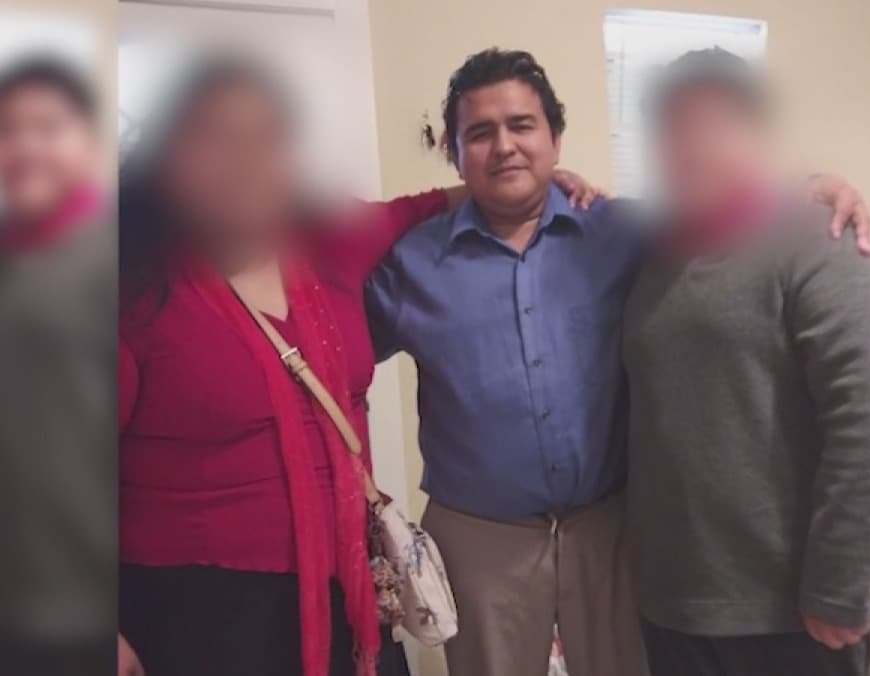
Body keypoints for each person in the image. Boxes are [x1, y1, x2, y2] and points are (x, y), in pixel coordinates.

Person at [365, 47, 870, 676]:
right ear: (454, 151)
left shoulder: (625, 233)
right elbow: (336, 358)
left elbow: (719, 202)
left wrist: (809, 188)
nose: (504, 146)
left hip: (610, 529)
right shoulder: (413, 264)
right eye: (480, 133)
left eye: (522, 125)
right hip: (481, 539)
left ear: (555, 138)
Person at [116, 56, 601, 676]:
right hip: (195, 607)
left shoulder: (328, 240)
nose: (245, 161)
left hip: (351, 590)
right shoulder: (129, 287)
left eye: (266, 139)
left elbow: (420, 206)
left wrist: (538, 179)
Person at [620, 48, 870, 676]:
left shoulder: (823, 244)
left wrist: (841, 584)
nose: (690, 148)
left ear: (755, 134)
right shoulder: (651, 254)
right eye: (672, 130)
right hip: (671, 605)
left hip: (789, 614)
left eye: (711, 126)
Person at [0, 55, 113, 676]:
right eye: (8, 130)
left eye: (47, 127)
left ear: (86, 142)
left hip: (81, 603)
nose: (25, 146)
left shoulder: (118, 258)